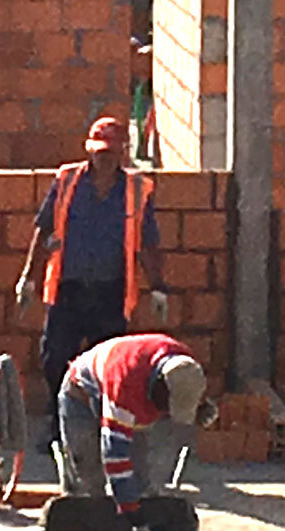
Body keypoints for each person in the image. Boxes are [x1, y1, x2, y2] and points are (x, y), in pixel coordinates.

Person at [16, 114, 164, 439]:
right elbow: (43, 231)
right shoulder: (68, 180)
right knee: (55, 359)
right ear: (89, 151)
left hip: (110, 293)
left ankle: (100, 430)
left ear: (122, 153)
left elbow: (149, 243)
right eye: (99, 152)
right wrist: (29, 277)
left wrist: (158, 288)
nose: (104, 159)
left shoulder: (137, 190)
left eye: (110, 153)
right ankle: (60, 425)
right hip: (69, 290)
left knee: (107, 367)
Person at [56, 333, 209, 508]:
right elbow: (114, 454)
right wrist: (129, 508)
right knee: (89, 482)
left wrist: (198, 406)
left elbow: (188, 388)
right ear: (159, 387)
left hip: (130, 384)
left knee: (140, 480)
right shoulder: (125, 385)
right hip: (80, 394)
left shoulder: (185, 366)